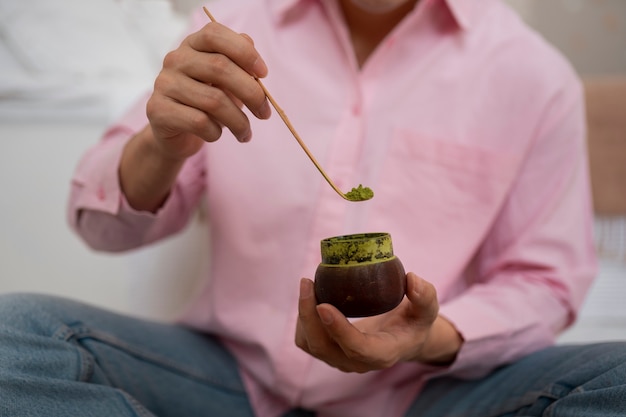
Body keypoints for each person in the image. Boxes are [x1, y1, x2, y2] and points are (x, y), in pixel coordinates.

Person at [1, 0, 625, 416]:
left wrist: (422, 340)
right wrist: (161, 145)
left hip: (426, 396)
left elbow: (543, 284)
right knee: (15, 337)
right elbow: (100, 225)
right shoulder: (240, 26)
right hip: (230, 381)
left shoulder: (532, 74)